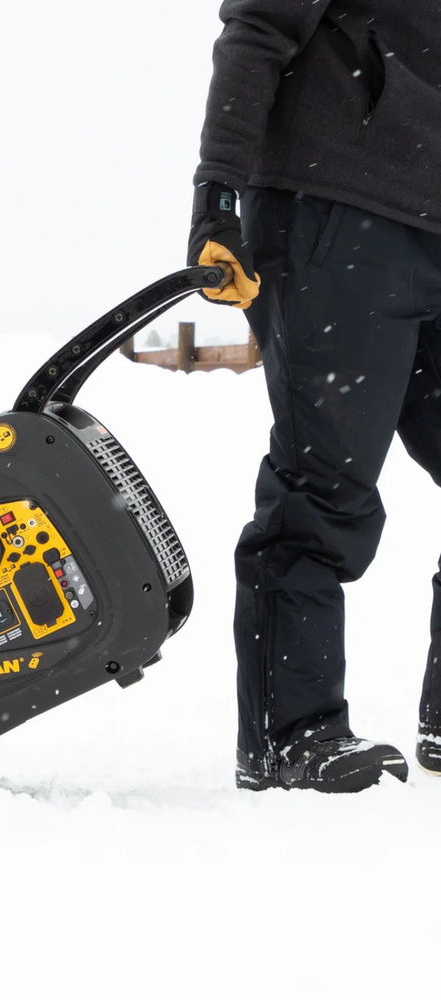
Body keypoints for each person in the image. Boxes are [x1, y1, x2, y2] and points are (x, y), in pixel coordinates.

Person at [187, 0, 441, 792]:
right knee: (324, 481)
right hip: (336, 206)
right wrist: (217, 193)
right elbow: (258, 27)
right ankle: (291, 734)